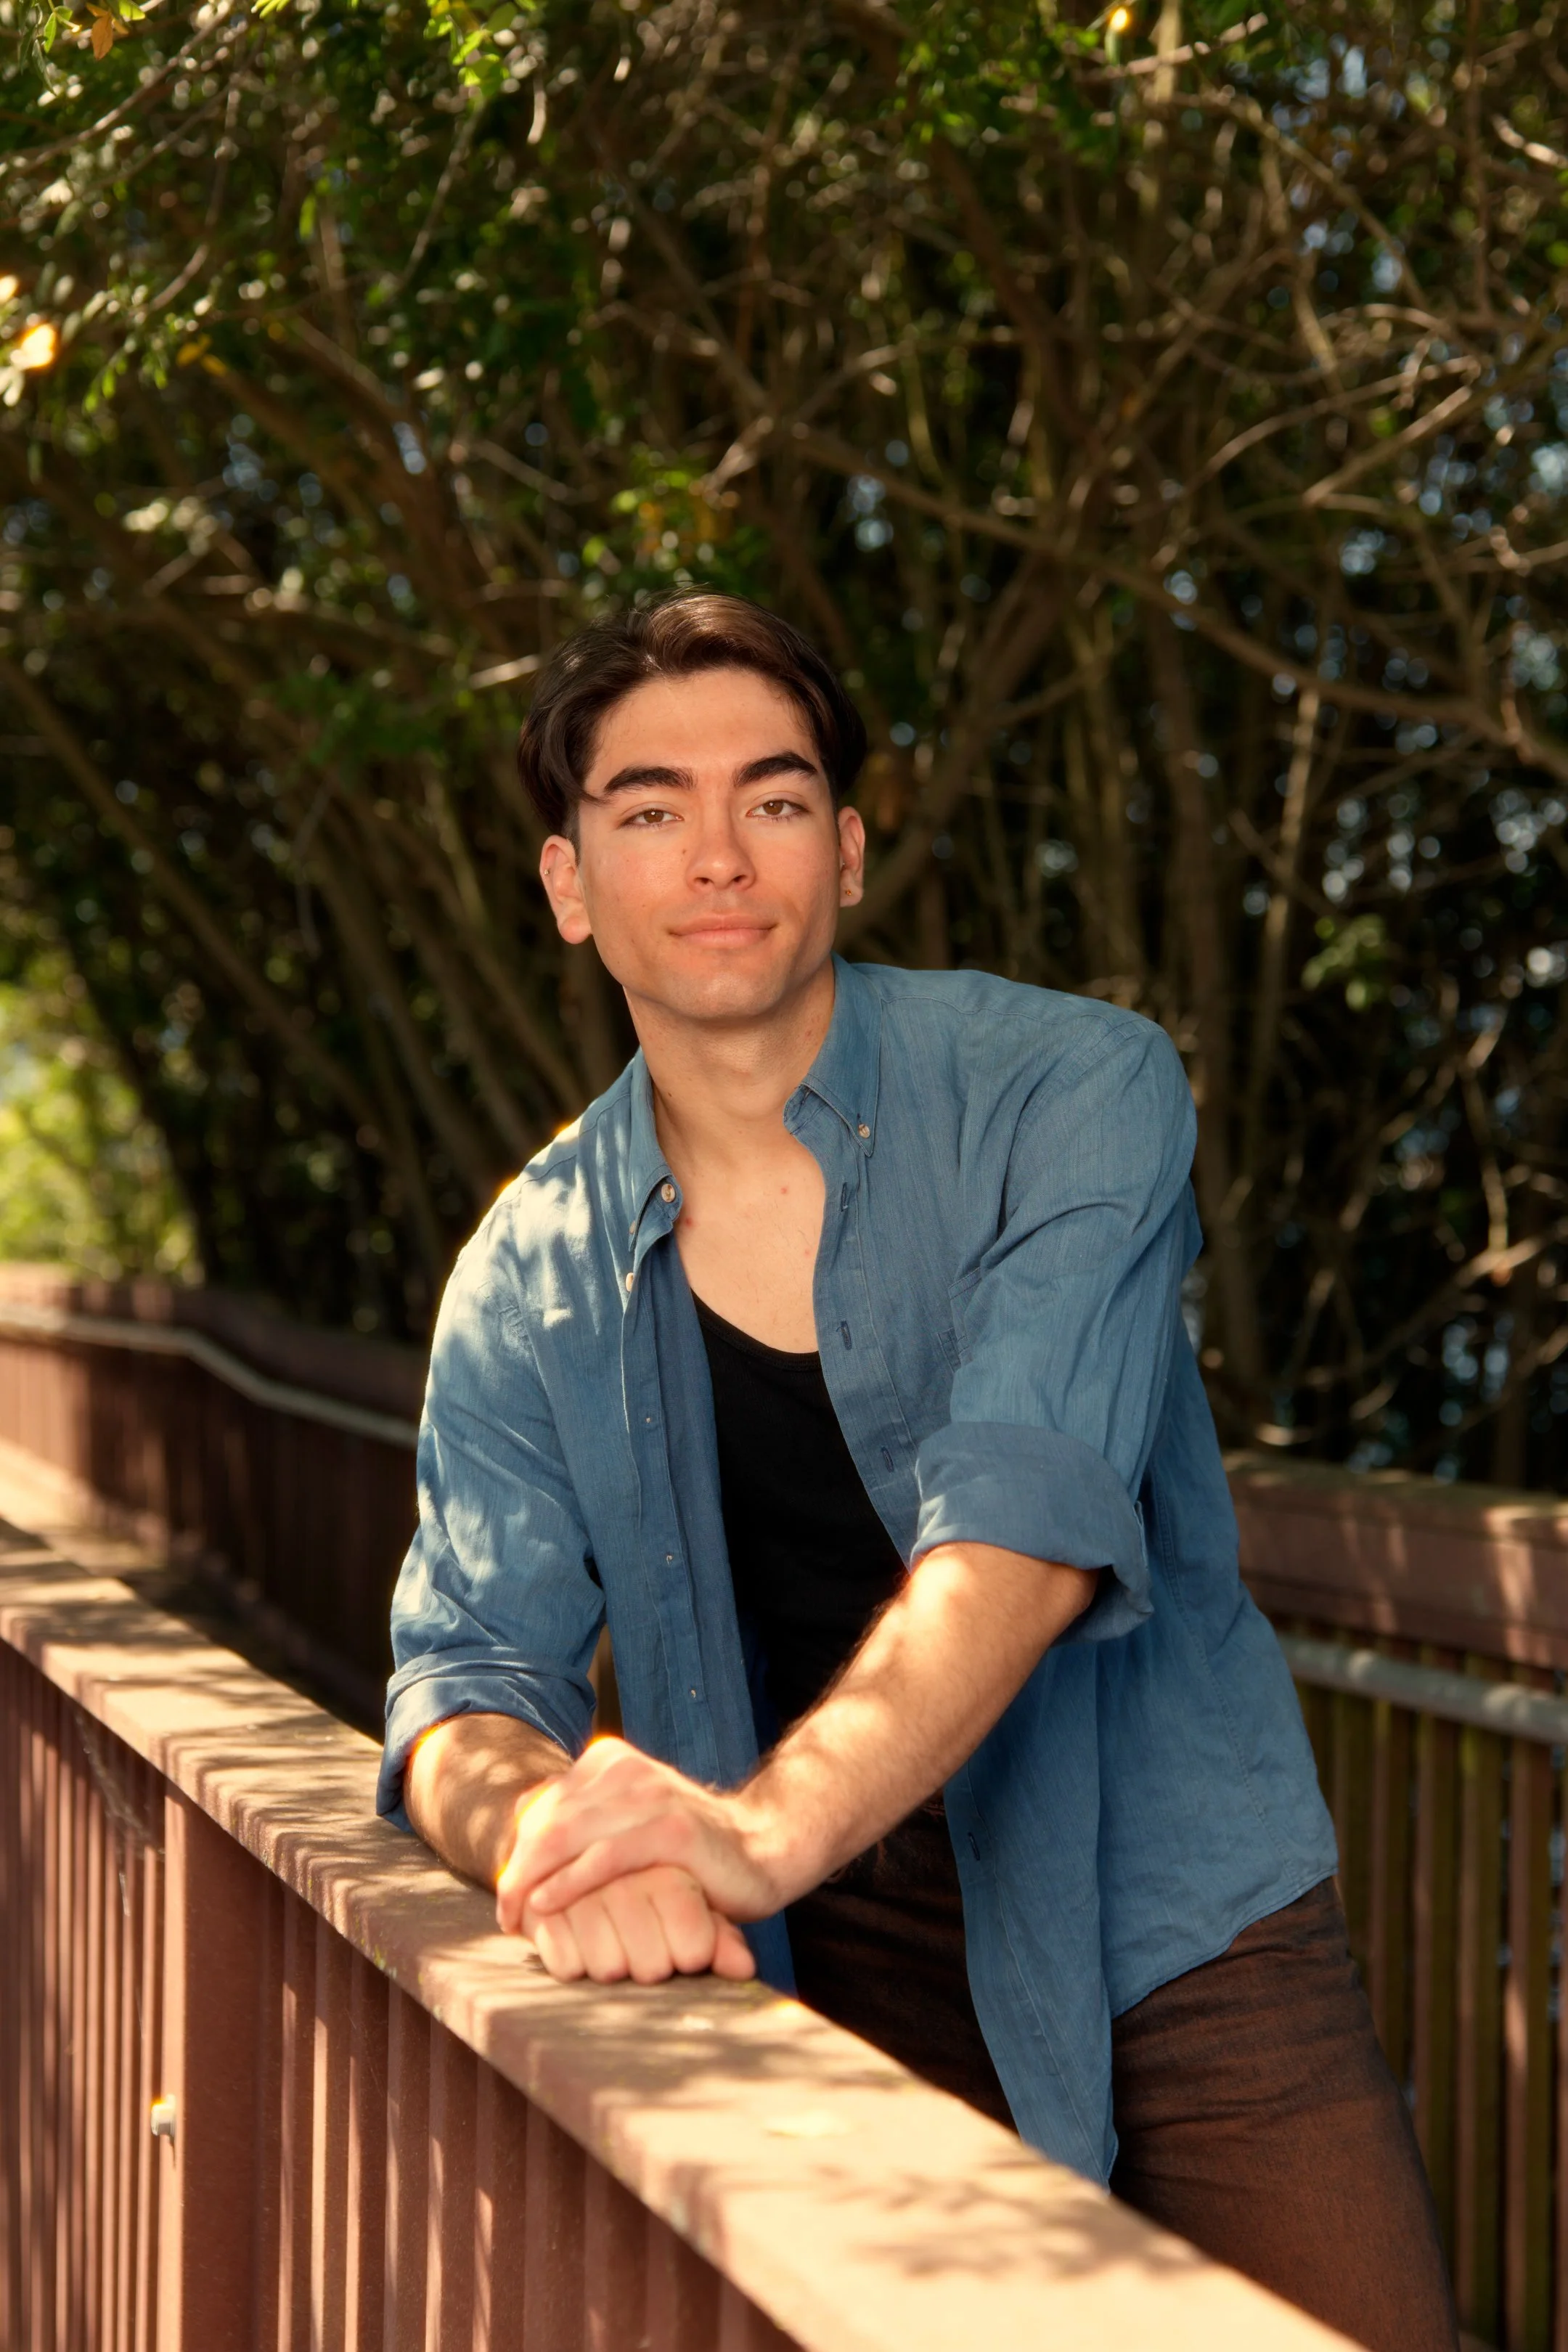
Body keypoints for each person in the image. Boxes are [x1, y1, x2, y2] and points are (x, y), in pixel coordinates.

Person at [378, 591, 1457, 2351]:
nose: (719, 854)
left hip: (1181, 1923)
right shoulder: (528, 1271)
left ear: (850, 850)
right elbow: (465, 1677)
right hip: (830, 1966)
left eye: (775, 798)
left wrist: (741, 1833)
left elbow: (1017, 1533)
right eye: (650, 809)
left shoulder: (1077, 1092)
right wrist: (554, 1829)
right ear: (571, 887)